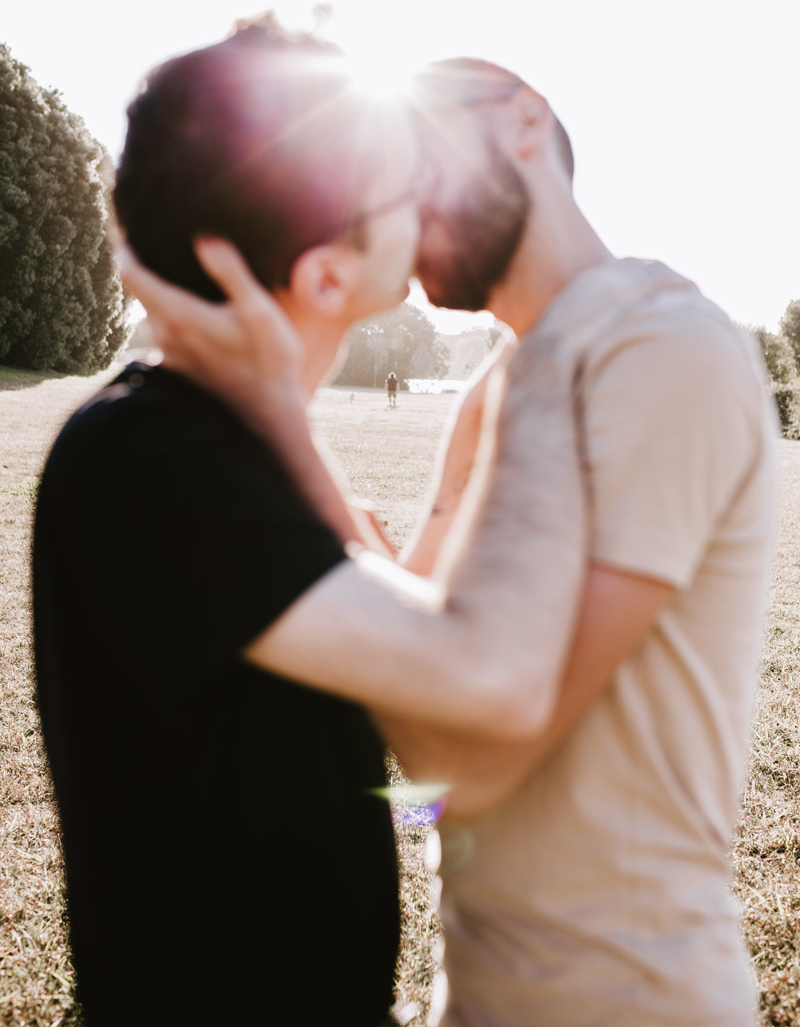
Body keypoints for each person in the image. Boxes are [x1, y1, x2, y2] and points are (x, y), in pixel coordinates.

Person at [123, 56, 777, 1027]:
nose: (398, 207)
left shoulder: (660, 348)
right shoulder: (502, 386)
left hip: (633, 999)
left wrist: (279, 424)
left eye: (418, 160)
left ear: (523, 120)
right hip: (476, 993)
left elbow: (463, 760)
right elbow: (415, 664)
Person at [32, 17, 428, 1027]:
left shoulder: (217, 435)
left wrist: (288, 422)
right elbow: (469, 675)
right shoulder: (152, 454)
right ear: (325, 273)